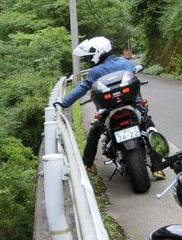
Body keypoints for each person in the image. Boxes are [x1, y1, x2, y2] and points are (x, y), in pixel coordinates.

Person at [54, 36, 165, 180]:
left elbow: (82, 88)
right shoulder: (125, 63)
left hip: (108, 111)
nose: (88, 59)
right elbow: (135, 72)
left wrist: (64, 102)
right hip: (134, 106)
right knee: (150, 129)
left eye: (89, 56)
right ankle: (158, 168)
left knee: (94, 133)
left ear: (98, 52)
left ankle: (87, 165)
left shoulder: (95, 71)